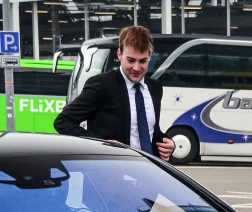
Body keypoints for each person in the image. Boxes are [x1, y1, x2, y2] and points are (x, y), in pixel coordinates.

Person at [53, 26, 175, 161]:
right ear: (119, 54)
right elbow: (63, 122)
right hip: (111, 171)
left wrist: (169, 143)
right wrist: (101, 144)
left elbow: (149, 131)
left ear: (150, 56)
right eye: (131, 60)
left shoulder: (154, 88)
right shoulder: (102, 85)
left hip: (147, 171)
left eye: (142, 61)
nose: (136, 67)